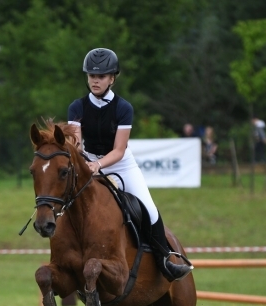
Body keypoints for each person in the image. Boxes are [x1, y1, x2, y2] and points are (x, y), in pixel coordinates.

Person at [67, 48, 192, 282]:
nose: (95, 80)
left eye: (101, 76)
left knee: (149, 208)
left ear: (112, 78)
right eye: (92, 76)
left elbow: (119, 150)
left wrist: (98, 165)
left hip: (120, 164)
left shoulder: (124, 108)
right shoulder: (77, 107)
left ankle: (164, 259)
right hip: (87, 162)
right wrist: (86, 163)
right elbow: (75, 143)